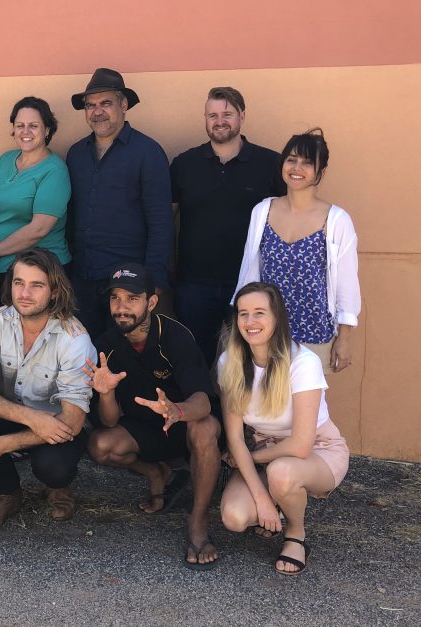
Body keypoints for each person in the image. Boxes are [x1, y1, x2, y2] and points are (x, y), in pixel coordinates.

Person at [84, 263, 223, 569]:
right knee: (99, 445)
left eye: (132, 299)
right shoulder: (105, 344)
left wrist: (177, 410)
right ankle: (156, 473)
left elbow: (203, 400)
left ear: (152, 301)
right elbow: (108, 422)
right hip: (142, 430)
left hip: (183, 428)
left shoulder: (175, 336)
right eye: (115, 298)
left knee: (205, 428)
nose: (121, 308)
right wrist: (106, 392)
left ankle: (198, 524)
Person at [0, 249, 96, 532]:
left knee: (53, 468)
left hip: (59, 427)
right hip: (19, 415)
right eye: (19, 283)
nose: (24, 293)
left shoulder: (74, 338)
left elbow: (72, 421)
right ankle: (7, 493)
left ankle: (59, 488)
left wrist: (2, 445)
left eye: (37, 285)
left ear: (55, 291)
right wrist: (30, 418)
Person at [219, 282, 349, 575]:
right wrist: (262, 500)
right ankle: (276, 503)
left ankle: (295, 533)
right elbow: (235, 438)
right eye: (243, 314)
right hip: (262, 448)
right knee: (235, 517)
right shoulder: (230, 362)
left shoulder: (303, 362)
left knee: (282, 473)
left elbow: (300, 445)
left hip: (317, 449)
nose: (250, 322)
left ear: (277, 317)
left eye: (259, 313)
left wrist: (247, 460)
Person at [170, 87, 285, 365]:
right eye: (212, 115)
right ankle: (206, 409)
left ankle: (240, 411)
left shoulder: (270, 164)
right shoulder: (184, 165)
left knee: (249, 361)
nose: (219, 121)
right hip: (194, 285)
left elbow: (284, 221)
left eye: (227, 114)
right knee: (197, 361)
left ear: (242, 116)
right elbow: (166, 220)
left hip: (251, 283)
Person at [234, 129, 360, 374]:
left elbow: (347, 283)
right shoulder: (263, 211)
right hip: (265, 331)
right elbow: (249, 273)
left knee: (308, 409)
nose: (297, 168)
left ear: (320, 172)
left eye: (307, 162)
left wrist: (344, 339)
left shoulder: (336, 220)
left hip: (314, 334)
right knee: (266, 407)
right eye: (292, 159)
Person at [67, 68, 172, 336]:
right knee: (84, 357)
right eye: (90, 106)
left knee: (126, 358)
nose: (97, 111)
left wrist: (154, 281)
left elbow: (161, 221)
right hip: (82, 278)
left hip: (128, 283)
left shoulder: (148, 153)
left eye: (106, 103)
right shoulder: (76, 154)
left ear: (123, 105)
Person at [0, 97, 72, 311]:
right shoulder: (5, 159)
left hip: (37, 272)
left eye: (33, 125)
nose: (25, 131)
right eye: (20, 125)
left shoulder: (54, 171)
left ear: (47, 130)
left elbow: (39, 228)